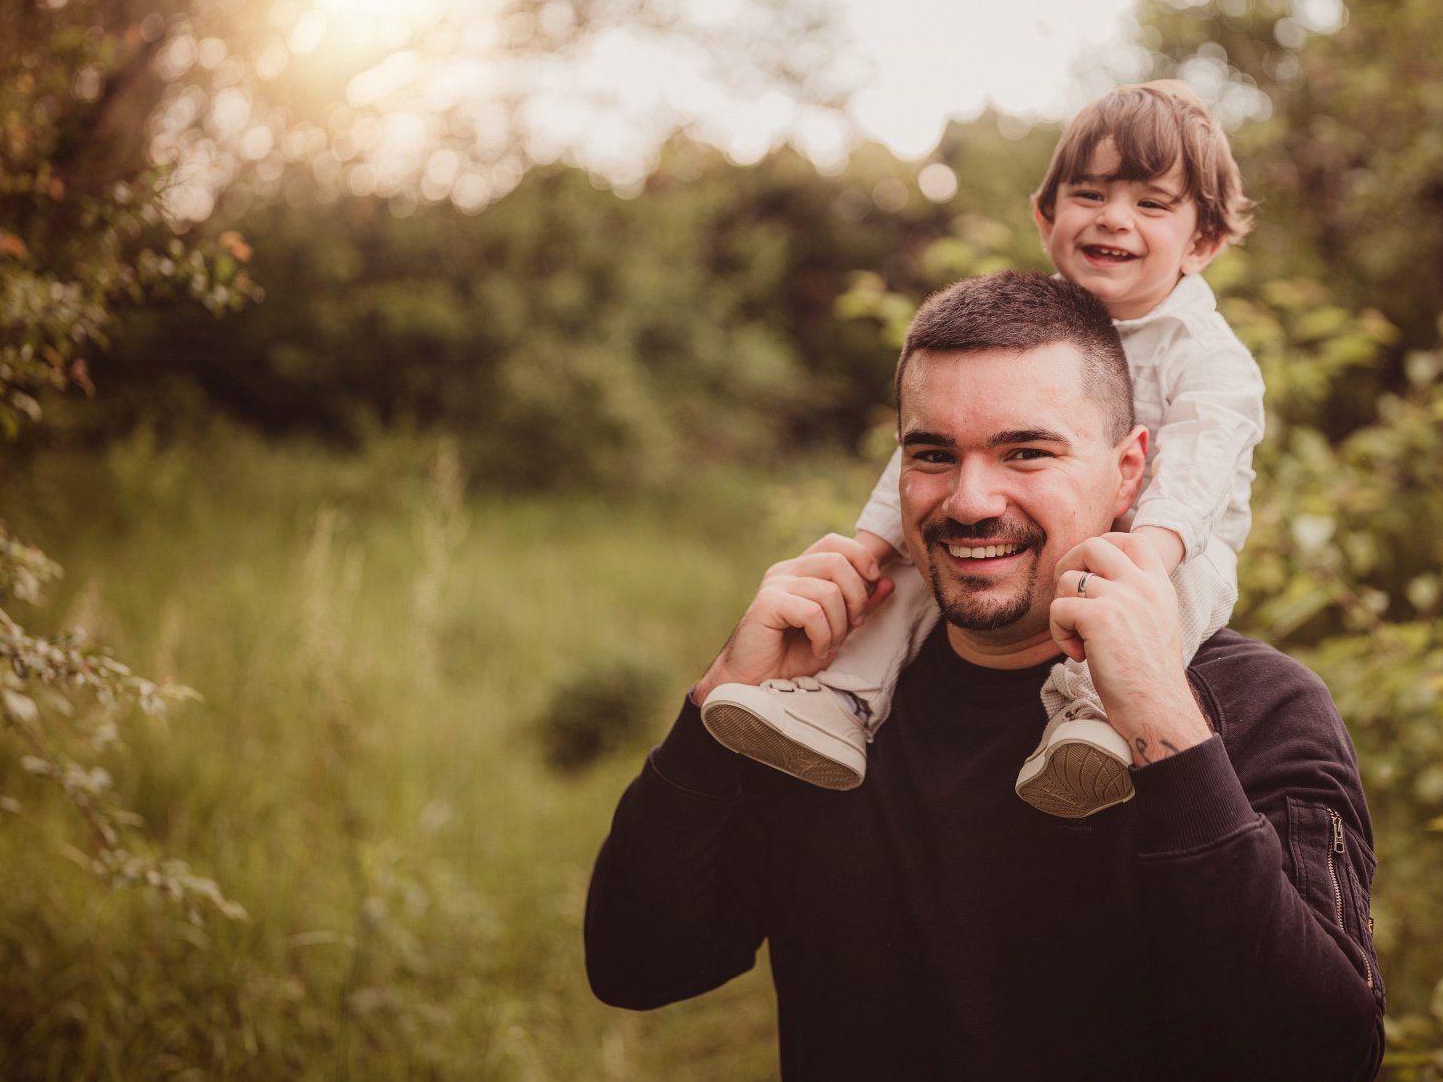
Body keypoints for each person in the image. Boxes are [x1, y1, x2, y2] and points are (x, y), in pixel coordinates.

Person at [585, 272, 1383, 1081]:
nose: (969, 501)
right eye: (932, 454)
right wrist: (722, 701)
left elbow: (1326, 1055)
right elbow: (639, 962)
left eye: (1026, 452)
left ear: (1128, 469)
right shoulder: (819, 711)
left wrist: (1165, 725)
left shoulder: (1260, 708)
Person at [700, 81, 1267, 820]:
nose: (1113, 218)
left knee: (1173, 590)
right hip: (1042, 535)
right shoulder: (1027, 327)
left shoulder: (1208, 355)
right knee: (908, 562)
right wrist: (877, 544)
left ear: (1204, 242)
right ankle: (840, 700)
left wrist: (1149, 553)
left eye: (1151, 203)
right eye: (1089, 194)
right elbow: (937, 443)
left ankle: (1092, 716)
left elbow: (1199, 462)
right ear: (1046, 216)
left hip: (1171, 541)